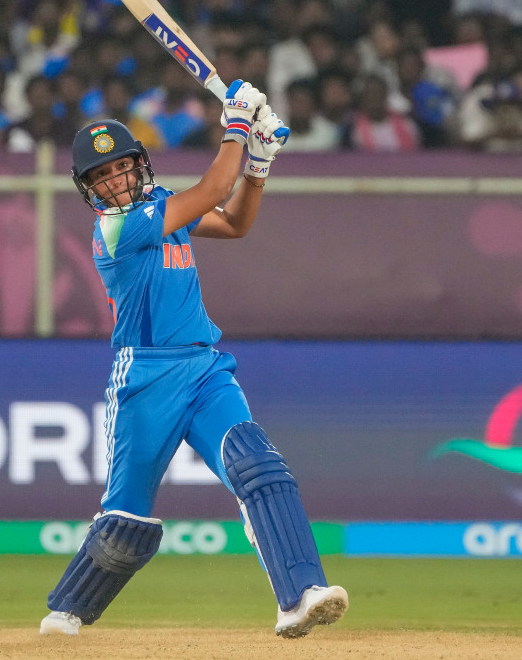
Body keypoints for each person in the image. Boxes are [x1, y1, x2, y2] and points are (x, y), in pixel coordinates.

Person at [38, 80, 349, 639]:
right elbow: (212, 189)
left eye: (123, 167)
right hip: (145, 378)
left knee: (259, 468)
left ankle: (300, 596)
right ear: (89, 190)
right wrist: (238, 126)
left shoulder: (161, 204)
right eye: (103, 176)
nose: (116, 180)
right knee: (126, 523)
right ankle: (66, 611)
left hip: (205, 370)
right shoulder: (116, 227)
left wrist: (258, 164)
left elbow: (233, 222)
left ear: (140, 164)